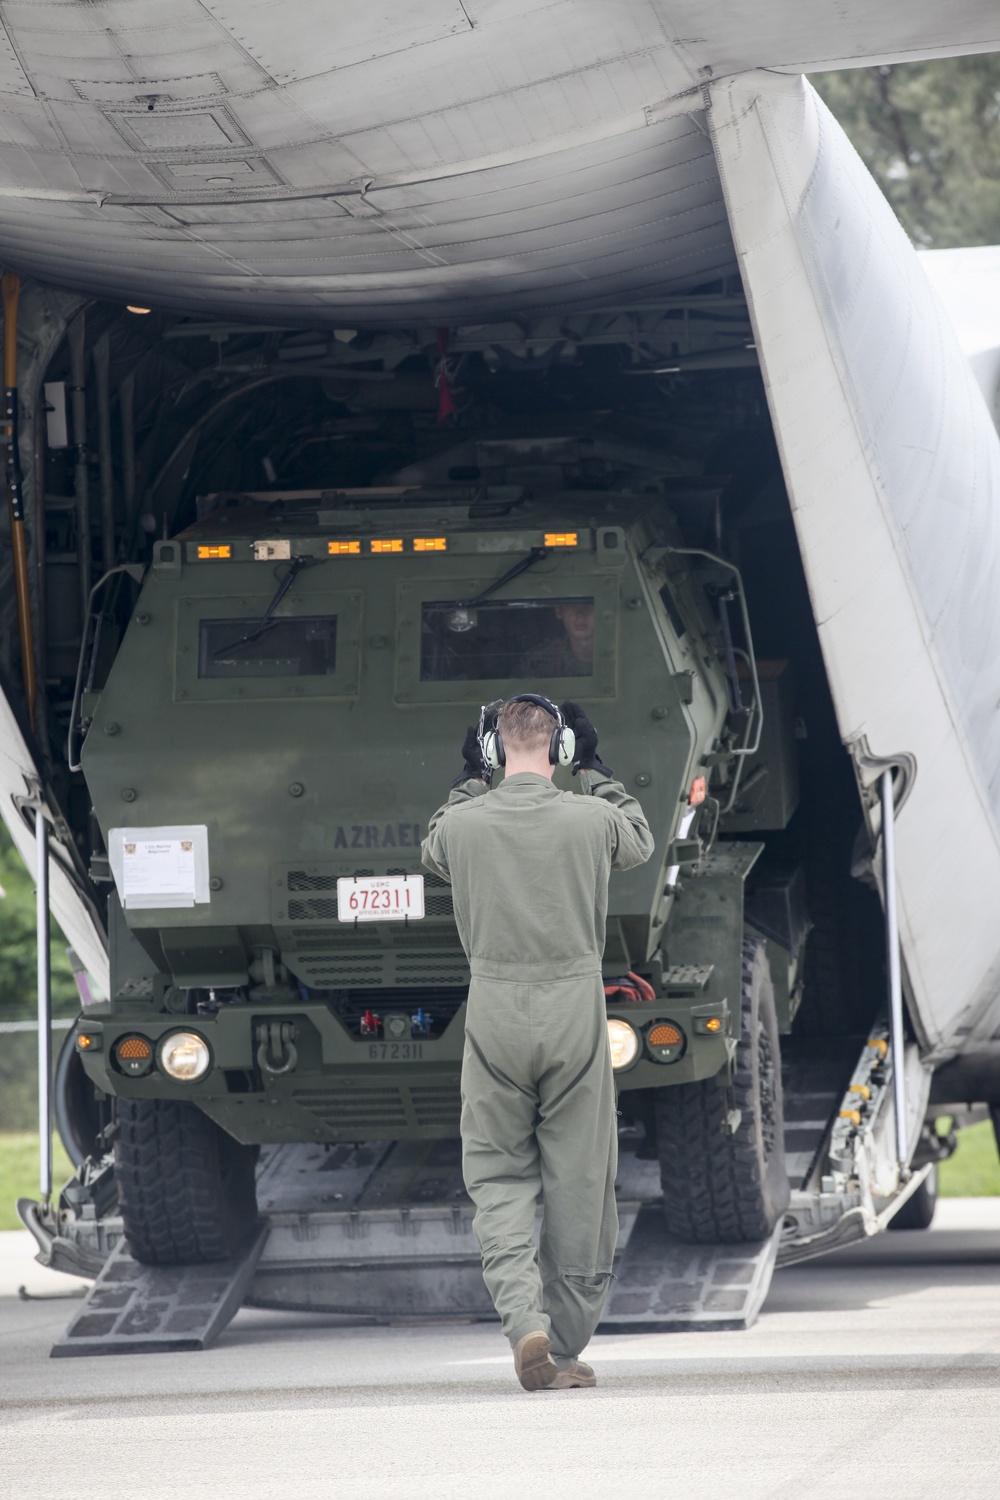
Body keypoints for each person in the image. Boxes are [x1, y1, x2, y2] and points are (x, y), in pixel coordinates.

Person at [421, 694, 653, 1391]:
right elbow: (639, 836)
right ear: (561, 751)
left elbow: (433, 838)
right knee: (580, 1176)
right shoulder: (593, 818)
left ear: (493, 752)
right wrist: (599, 771)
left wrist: (469, 779)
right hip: (573, 1006)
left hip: (492, 1005)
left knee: (498, 1177)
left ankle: (524, 1320)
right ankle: (568, 1341)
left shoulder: (462, 824)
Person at [519, 600, 595, 677]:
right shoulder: (537, 662)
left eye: (589, 604)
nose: (580, 614)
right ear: (559, 611)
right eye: (571, 604)